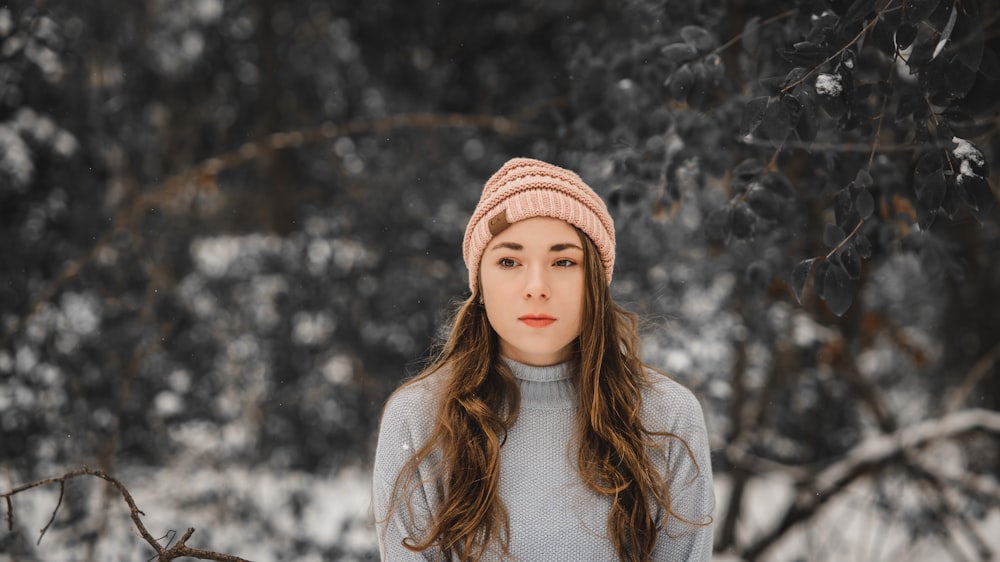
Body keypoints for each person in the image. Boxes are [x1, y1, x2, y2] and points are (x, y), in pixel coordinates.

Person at [372, 157, 714, 561]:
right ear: (480, 282)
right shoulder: (419, 418)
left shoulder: (667, 417)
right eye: (509, 261)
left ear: (596, 282)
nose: (536, 287)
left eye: (564, 261)